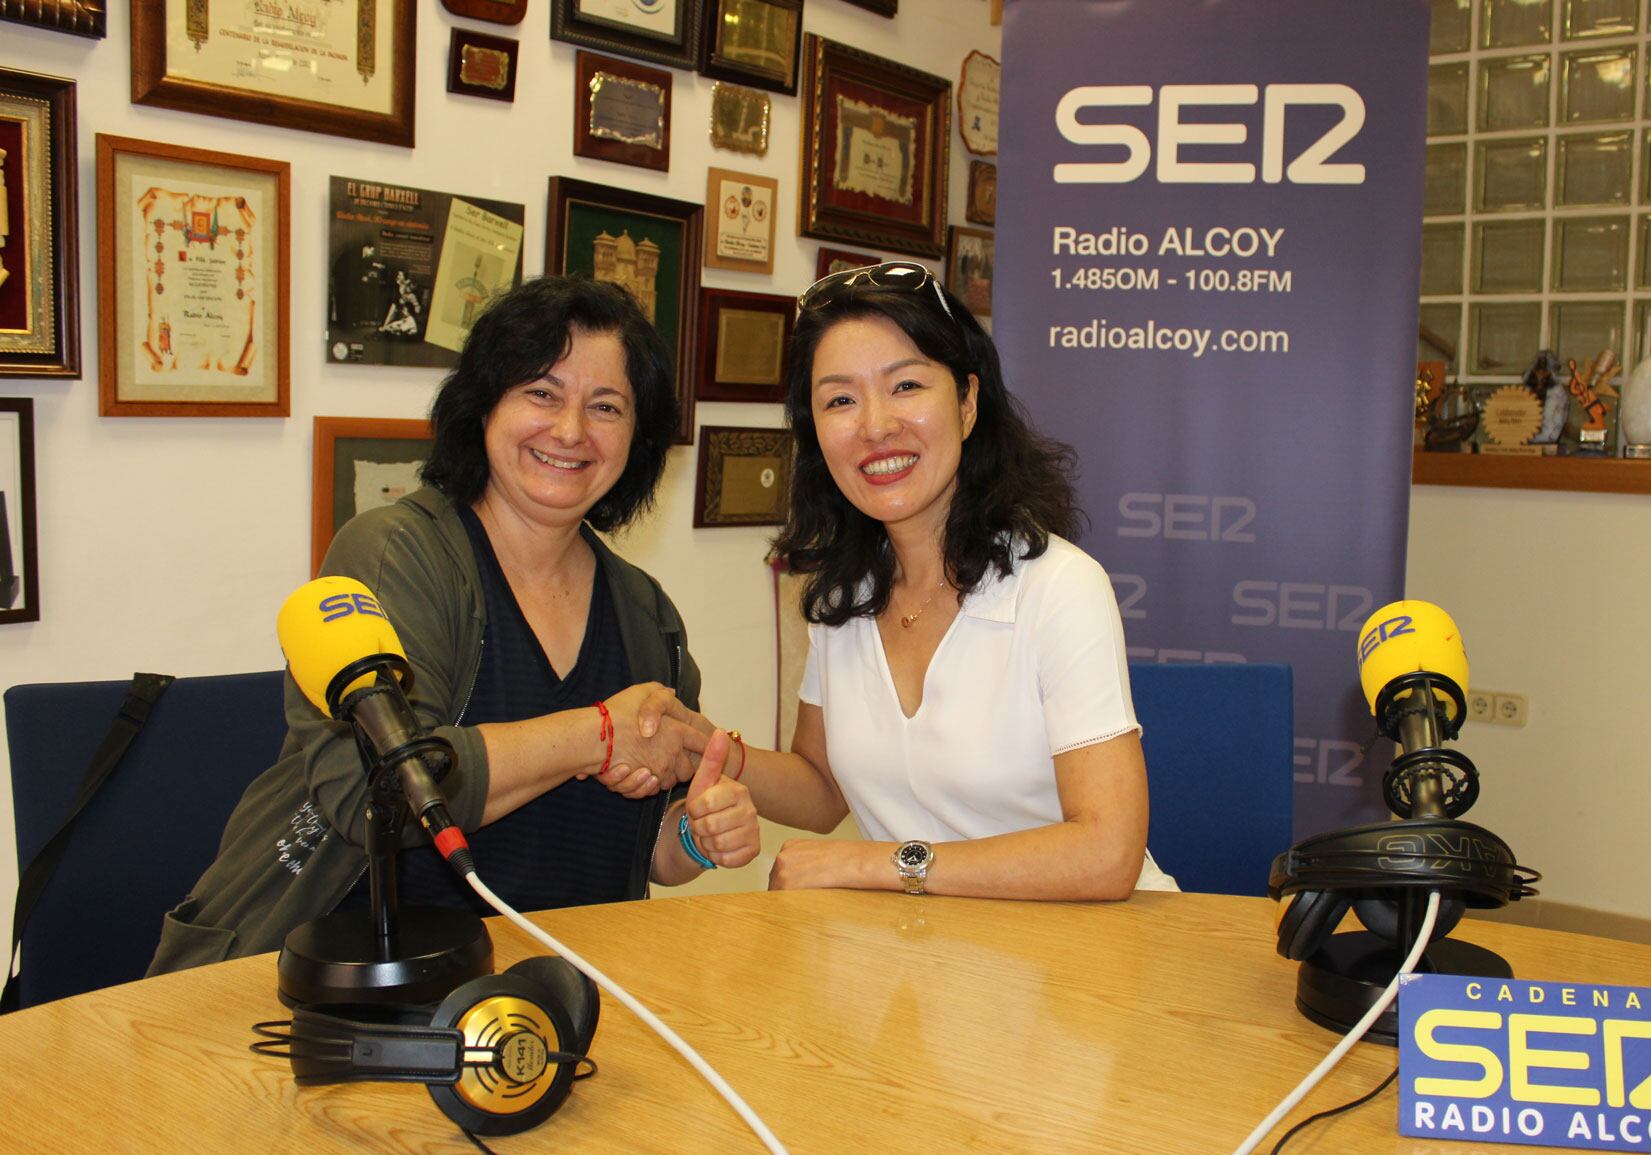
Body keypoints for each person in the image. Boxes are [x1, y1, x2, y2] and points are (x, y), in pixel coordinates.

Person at [149, 276, 759, 974]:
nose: (570, 430)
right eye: (542, 392)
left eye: (606, 406)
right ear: (484, 404)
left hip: (557, 999)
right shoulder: (391, 554)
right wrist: (600, 732)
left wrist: (698, 834)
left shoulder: (647, 615)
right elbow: (378, 793)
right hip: (345, 991)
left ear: (638, 437)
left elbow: (644, 845)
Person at [667, 262, 1178, 902]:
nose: (876, 425)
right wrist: (702, 747)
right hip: (936, 962)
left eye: (905, 385)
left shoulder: (1059, 588)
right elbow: (826, 788)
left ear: (967, 403)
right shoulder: (842, 598)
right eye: (840, 400)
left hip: (1094, 959)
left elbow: (1107, 854)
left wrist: (873, 866)